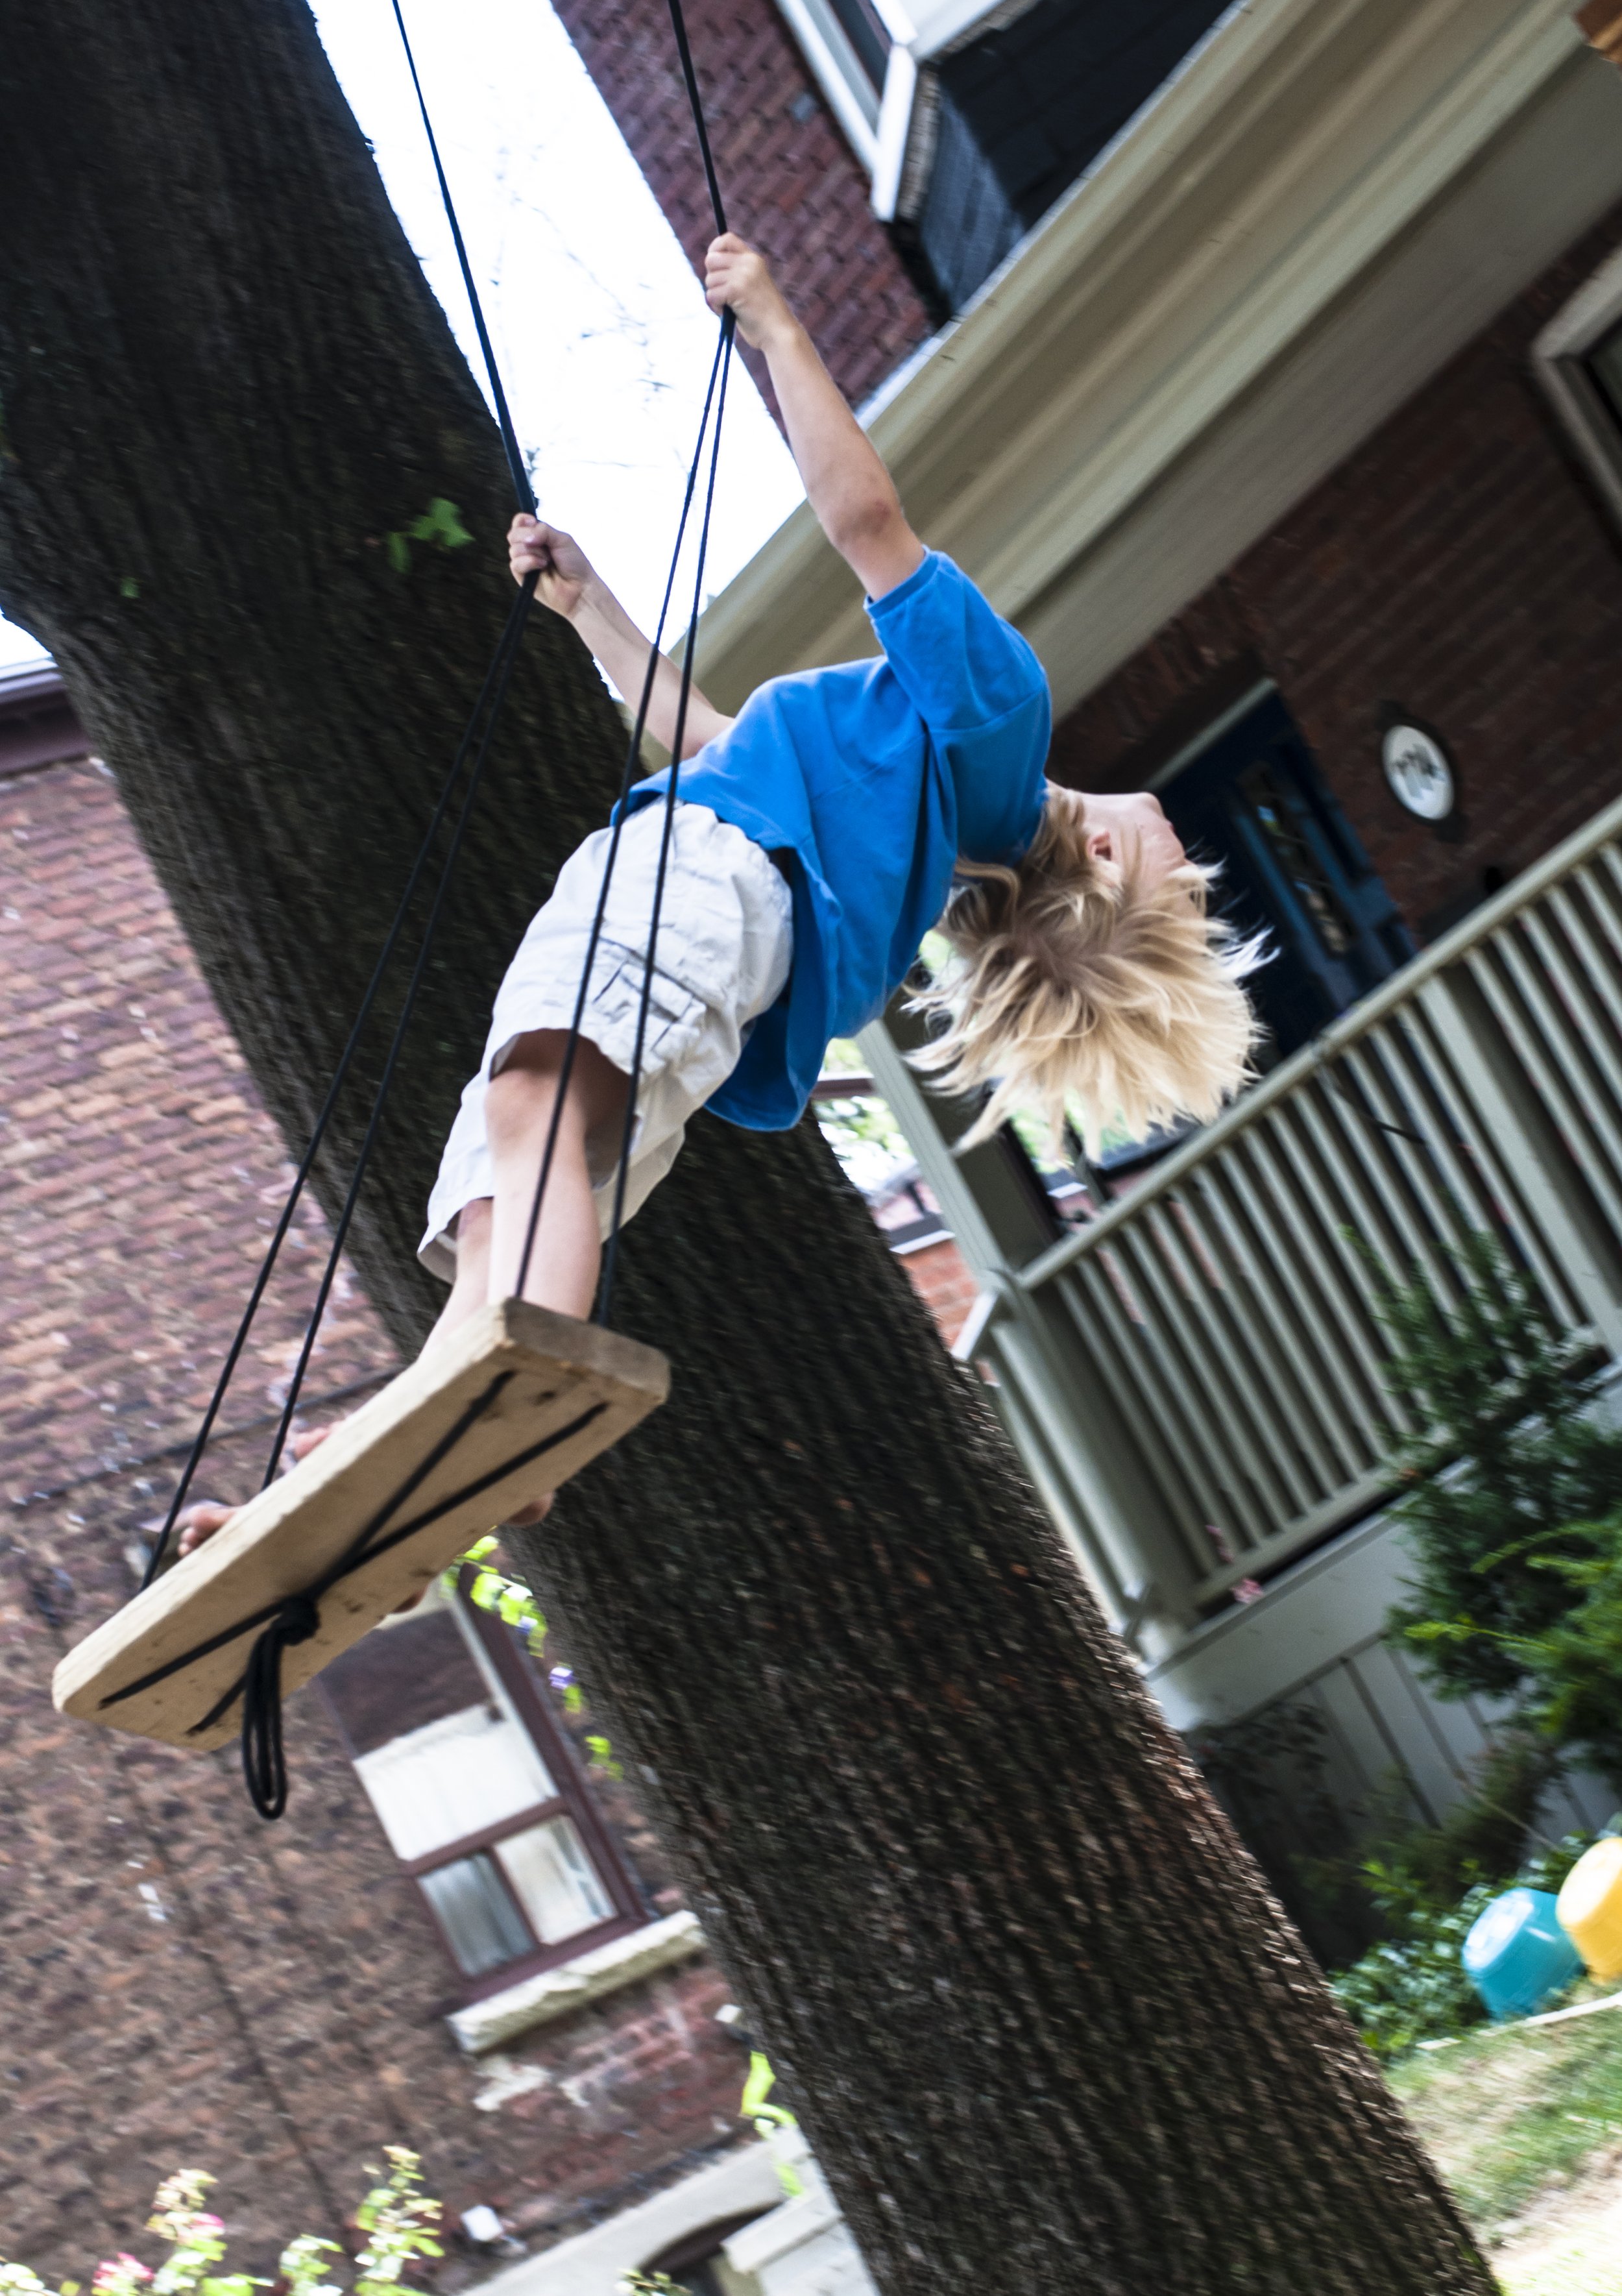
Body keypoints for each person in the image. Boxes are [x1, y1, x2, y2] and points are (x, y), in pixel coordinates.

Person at [177, 236, 1258, 1560]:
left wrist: (778, 330)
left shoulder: (997, 721)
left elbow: (868, 528)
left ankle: (510, 1422)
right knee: (504, 1207)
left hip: (691, 893)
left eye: (1180, 882)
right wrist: (594, 618)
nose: (1179, 844)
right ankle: (379, 1507)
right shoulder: (928, 844)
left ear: (1100, 865)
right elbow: (716, 748)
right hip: (699, 924)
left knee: (531, 1134)